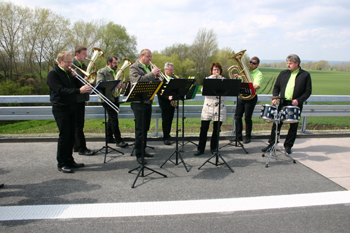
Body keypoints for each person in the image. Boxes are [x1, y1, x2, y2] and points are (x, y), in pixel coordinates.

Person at [47, 51, 92, 173]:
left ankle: (70, 160)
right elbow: (61, 90)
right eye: (67, 62)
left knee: (72, 134)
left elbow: (79, 86)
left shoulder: (69, 73)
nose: (70, 65)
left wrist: (78, 78)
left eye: (71, 62)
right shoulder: (53, 74)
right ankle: (61, 163)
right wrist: (79, 91)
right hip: (61, 108)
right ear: (60, 62)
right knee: (64, 135)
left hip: (72, 106)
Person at [262, 54, 312, 154]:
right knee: (277, 123)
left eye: (290, 63)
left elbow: (308, 91)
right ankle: (272, 143)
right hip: (283, 102)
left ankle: (288, 146)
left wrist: (299, 100)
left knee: (293, 126)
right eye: (287, 63)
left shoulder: (305, 75)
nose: (288, 65)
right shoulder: (283, 73)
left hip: (295, 104)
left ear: (297, 63)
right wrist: (275, 97)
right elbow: (276, 87)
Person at [129, 49, 161, 164]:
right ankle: (139, 153)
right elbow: (137, 80)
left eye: (151, 57)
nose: (150, 59)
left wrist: (157, 78)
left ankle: (143, 149)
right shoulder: (134, 67)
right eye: (148, 57)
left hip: (147, 101)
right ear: (142, 56)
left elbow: (152, 83)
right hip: (138, 102)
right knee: (140, 129)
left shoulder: (148, 67)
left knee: (146, 128)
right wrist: (152, 74)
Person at [194, 62, 226, 156]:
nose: (216, 71)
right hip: (208, 107)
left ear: (220, 71)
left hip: (220, 108)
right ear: (211, 71)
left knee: (216, 130)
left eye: (218, 70)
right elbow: (203, 91)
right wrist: (210, 80)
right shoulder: (207, 79)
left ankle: (214, 148)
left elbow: (227, 92)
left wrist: (221, 81)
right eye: (214, 69)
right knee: (204, 129)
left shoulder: (224, 80)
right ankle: (201, 149)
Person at [96, 55, 128, 148]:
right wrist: (114, 85)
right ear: (109, 63)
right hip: (106, 99)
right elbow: (100, 85)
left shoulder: (116, 71)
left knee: (111, 119)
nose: (116, 65)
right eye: (114, 63)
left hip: (115, 98)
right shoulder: (102, 72)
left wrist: (121, 85)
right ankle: (119, 140)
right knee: (114, 119)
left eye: (117, 63)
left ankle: (109, 137)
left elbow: (117, 83)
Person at [234, 56, 264, 144]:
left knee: (247, 117)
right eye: (250, 62)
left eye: (253, 63)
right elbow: (241, 81)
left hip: (251, 97)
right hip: (242, 96)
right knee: (237, 116)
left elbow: (256, 86)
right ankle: (238, 136)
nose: (251, 64)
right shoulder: (245, 72)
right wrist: (237, 78)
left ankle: (248, 136)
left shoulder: (258, 74)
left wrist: (245, 84)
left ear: (257, 65)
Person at [72, 45, 95, 155]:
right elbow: (73, 83)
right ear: (77, 55)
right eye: (84, 54)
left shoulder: (84, 65)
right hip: (76, 98)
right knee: (78, 124)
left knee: (79, 124)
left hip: (81, 98)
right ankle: (81, 148)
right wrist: (84, 81)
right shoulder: (73, 65)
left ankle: (76, 146)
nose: (86, 56)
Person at [158, 62, 176, 145]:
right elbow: (159, 92)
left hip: (173, 102)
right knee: (165, 120)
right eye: (170, 70)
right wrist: (167, 97)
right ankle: (165, 137)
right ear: (165, 69)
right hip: (164, 102)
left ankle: (168, 134)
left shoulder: (173, 79)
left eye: (172, 70)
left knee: (170, 119)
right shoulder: (161, 79)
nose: (171, 71)